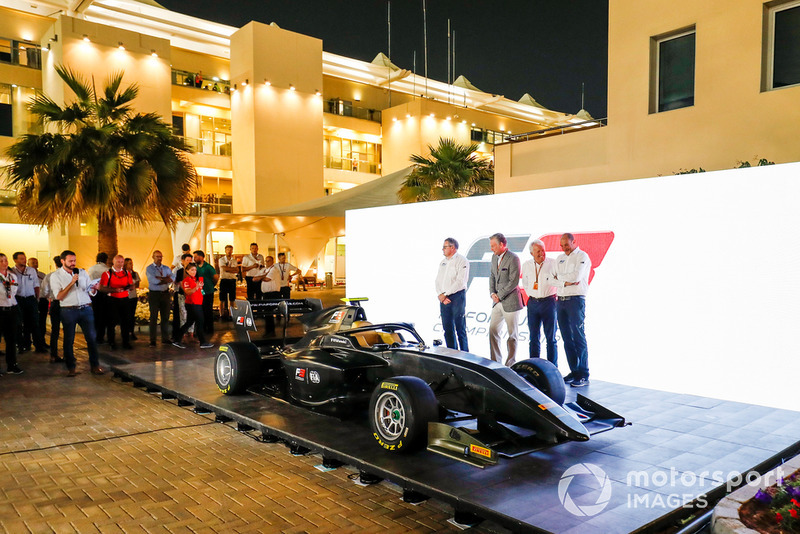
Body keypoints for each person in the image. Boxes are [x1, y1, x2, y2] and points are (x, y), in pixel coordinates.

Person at [50, 250, 103, 376]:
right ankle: (71, 367)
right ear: (62, 261)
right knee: (69, 339)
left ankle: (95, 366)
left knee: (91, 338)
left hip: (86, 308)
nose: (73, 263)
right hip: (69, 310)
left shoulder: (82, 272)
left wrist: (94, 289)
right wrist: (72, 283)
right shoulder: (56, 276)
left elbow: (88, 290)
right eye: (70, 261)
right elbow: (59, 296)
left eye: (74, 260)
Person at [553, 233, 592, 388]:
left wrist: (562, 280)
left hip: (576, 300)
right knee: (566, 338)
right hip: (560, 301)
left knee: (578, 336)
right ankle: (574, 371)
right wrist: (565, 281)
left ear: (574, 242)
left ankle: (583, 374)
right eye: (562, 246)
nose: (564, 248)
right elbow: (552, 278)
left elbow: (576, 277)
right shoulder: (559, 258)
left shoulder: (583, 256)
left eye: (566, 245)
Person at [488, 233, 523, 367]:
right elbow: (491, 276)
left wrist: (499, 295)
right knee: (493, 331)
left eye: (493, 246)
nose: (492, 249)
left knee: (512, 335)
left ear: (502, 245)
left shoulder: (513, 258)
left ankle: (510, 364)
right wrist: (492, 293)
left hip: (511, 302)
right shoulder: (493, 257)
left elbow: (513, 281)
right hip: (496, 302)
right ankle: (495, 363)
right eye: (491, 246)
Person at [521, 239, 558, 364]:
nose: (542, 253)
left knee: (551, 338)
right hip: (533, 304)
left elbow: (558, 281)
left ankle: (553, 367)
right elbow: (525, 283)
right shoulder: (526, 265)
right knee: (533, 338)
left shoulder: (553, 263)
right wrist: (532, 294)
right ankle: (534, 366)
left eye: (543, 250)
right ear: (532, 253)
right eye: (538, 251)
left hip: (549, 302)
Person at [435, 237, 469, 351]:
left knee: (460, 329)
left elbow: (460, 281)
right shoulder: (443, 262)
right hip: (443, 298)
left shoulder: (462, 260)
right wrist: (440, 294)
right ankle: (452, 354)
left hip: (457, 297)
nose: (442, 249)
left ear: (452, 247)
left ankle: (466, 357)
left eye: (445, 247)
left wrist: (446, 294)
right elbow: (438, 280)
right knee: (447, 329)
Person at [172, 263, 214, 349]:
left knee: (189, 322)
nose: (194, 272)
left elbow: (200, 291)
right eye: (192, 270)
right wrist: (196, 287)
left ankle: (177, 339)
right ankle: (202, 342)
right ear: (187, 271)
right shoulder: (186, 281)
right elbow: (188, 292)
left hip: (198, 303)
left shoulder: (195, 280)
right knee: (200, 321)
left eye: (195, 270)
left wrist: (200, 287)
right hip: (192, 304)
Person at [13, 251, 46, 353]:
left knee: (34, 322)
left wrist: (37, 299)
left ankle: (39, 346)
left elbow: (36, 284)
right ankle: (23, 344)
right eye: (21, 258)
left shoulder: (31, 270)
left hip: (30, 299)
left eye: (25, 258)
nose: (24, 260)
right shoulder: (12, 271)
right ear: (15, 260)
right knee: (19, 323)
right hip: (18, 299)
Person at [99, 255, 134, 350]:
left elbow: (132, 285)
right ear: (113, 262)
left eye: (122, 262)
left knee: (125, 321)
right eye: (118, 262)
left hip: (125, 299)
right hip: (112, 300)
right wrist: (114, 290)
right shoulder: (107, 274)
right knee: (111, 322)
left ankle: (126, 342)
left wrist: (129, 288)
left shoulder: (127, 273)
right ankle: (111, 342)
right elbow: (102, 288)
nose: (120, 264)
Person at [0, 253, 23, 375]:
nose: (4, 263)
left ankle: (12, 364)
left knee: (11, 339)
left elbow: (14, 292)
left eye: (5, 260)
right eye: (1, 261)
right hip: (0, 309)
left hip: (11, 309)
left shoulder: (12, 276)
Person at [145, 250, 173, 347]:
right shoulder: (149, 268)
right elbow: (153, 281)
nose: (159, 258)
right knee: (153, 317)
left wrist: (161, 279)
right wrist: (165, 279)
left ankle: (165, 338)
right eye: (157, 256)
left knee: (165, 317)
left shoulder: (166, 268)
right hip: (154, 294)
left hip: (165, 294)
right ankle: (152, 340)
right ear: (153, 257)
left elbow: (172, 278)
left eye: (160, 256)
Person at [42, 256, 64, 363]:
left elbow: (44, 292)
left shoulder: (50, 276)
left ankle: (53, 355)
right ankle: (68, 354)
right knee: (68, 330)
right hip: (67, 304)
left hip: (55, 303)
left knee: (55, 331)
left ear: (55, 264)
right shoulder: (70, 275)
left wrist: (50, 297)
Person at [193, 250, 218, 335]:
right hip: (198, 292)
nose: (194, 259)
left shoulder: (208, 267)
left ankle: (209, 328)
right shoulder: (195, 267)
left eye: (195, 257)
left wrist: (211, 285)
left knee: (208, 310)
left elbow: (215, 277)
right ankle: (201, 328)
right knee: (200, 310)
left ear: (201, 257)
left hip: (208, 292)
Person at [87, 252, 109, 344]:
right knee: (103, 315)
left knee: (95, 314)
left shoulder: (91, 269)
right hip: (104, 293)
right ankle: (100, 336)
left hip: (93, 293)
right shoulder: (107, 269)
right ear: (106, 259)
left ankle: (94, 335)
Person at [171, 253, 193, 343]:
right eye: (187, 260)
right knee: (183, 313)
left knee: (192, 313)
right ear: (183, 261)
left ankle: (191, 332)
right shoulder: (179, 271)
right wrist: (185, 291)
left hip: (192, 295)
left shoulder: (193, 270)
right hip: (182, 294)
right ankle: (183, 332)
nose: (189, 262)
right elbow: (179, 283)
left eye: (190, 260)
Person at [254, 256, 279, 333]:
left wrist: (261, 277)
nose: (267, 262)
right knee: (267, 314)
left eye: (269, 261)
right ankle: (269, 331)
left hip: (272, 294)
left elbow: (267, 279)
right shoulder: (265, 270)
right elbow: (254, 278)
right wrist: (263, 275)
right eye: (266, 261)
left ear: (272, 261)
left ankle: (270, 331)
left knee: (269, 313)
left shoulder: (273, 269)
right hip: (266, 294)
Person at [29, 257, 49, 346]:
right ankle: (29, 341)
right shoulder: (27, 275)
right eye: (33, 263)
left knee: (42, 322)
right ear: (28, 264)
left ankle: (41, 341)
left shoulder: (42, 274)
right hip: (32, 300)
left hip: (42, 300)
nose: (35, 264)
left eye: (36, 262)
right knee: (32, 322)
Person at [218, 245, 238, 321]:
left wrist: (229, 269)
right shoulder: (221, 259)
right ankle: (221, 314)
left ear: (232, 251)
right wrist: (232, 269)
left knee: (232, 299)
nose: (229, 251)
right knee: (222, 298)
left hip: (232, 280)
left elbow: (236, 270)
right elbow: (223, 268)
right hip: (224, 279)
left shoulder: (234, 260)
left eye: (230, 250)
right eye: (227, 250)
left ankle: (231, 314)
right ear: (225, 250)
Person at [124, 258, 140, 340]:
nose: (131, 265)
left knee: (132, 315)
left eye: (132, 263)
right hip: (125, 296)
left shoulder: (135, 274)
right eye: (129, 263)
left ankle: (131, 331)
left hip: (133, 296)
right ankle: (126, 332)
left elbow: (137, 284)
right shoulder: (122, 274)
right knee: (126, 315)